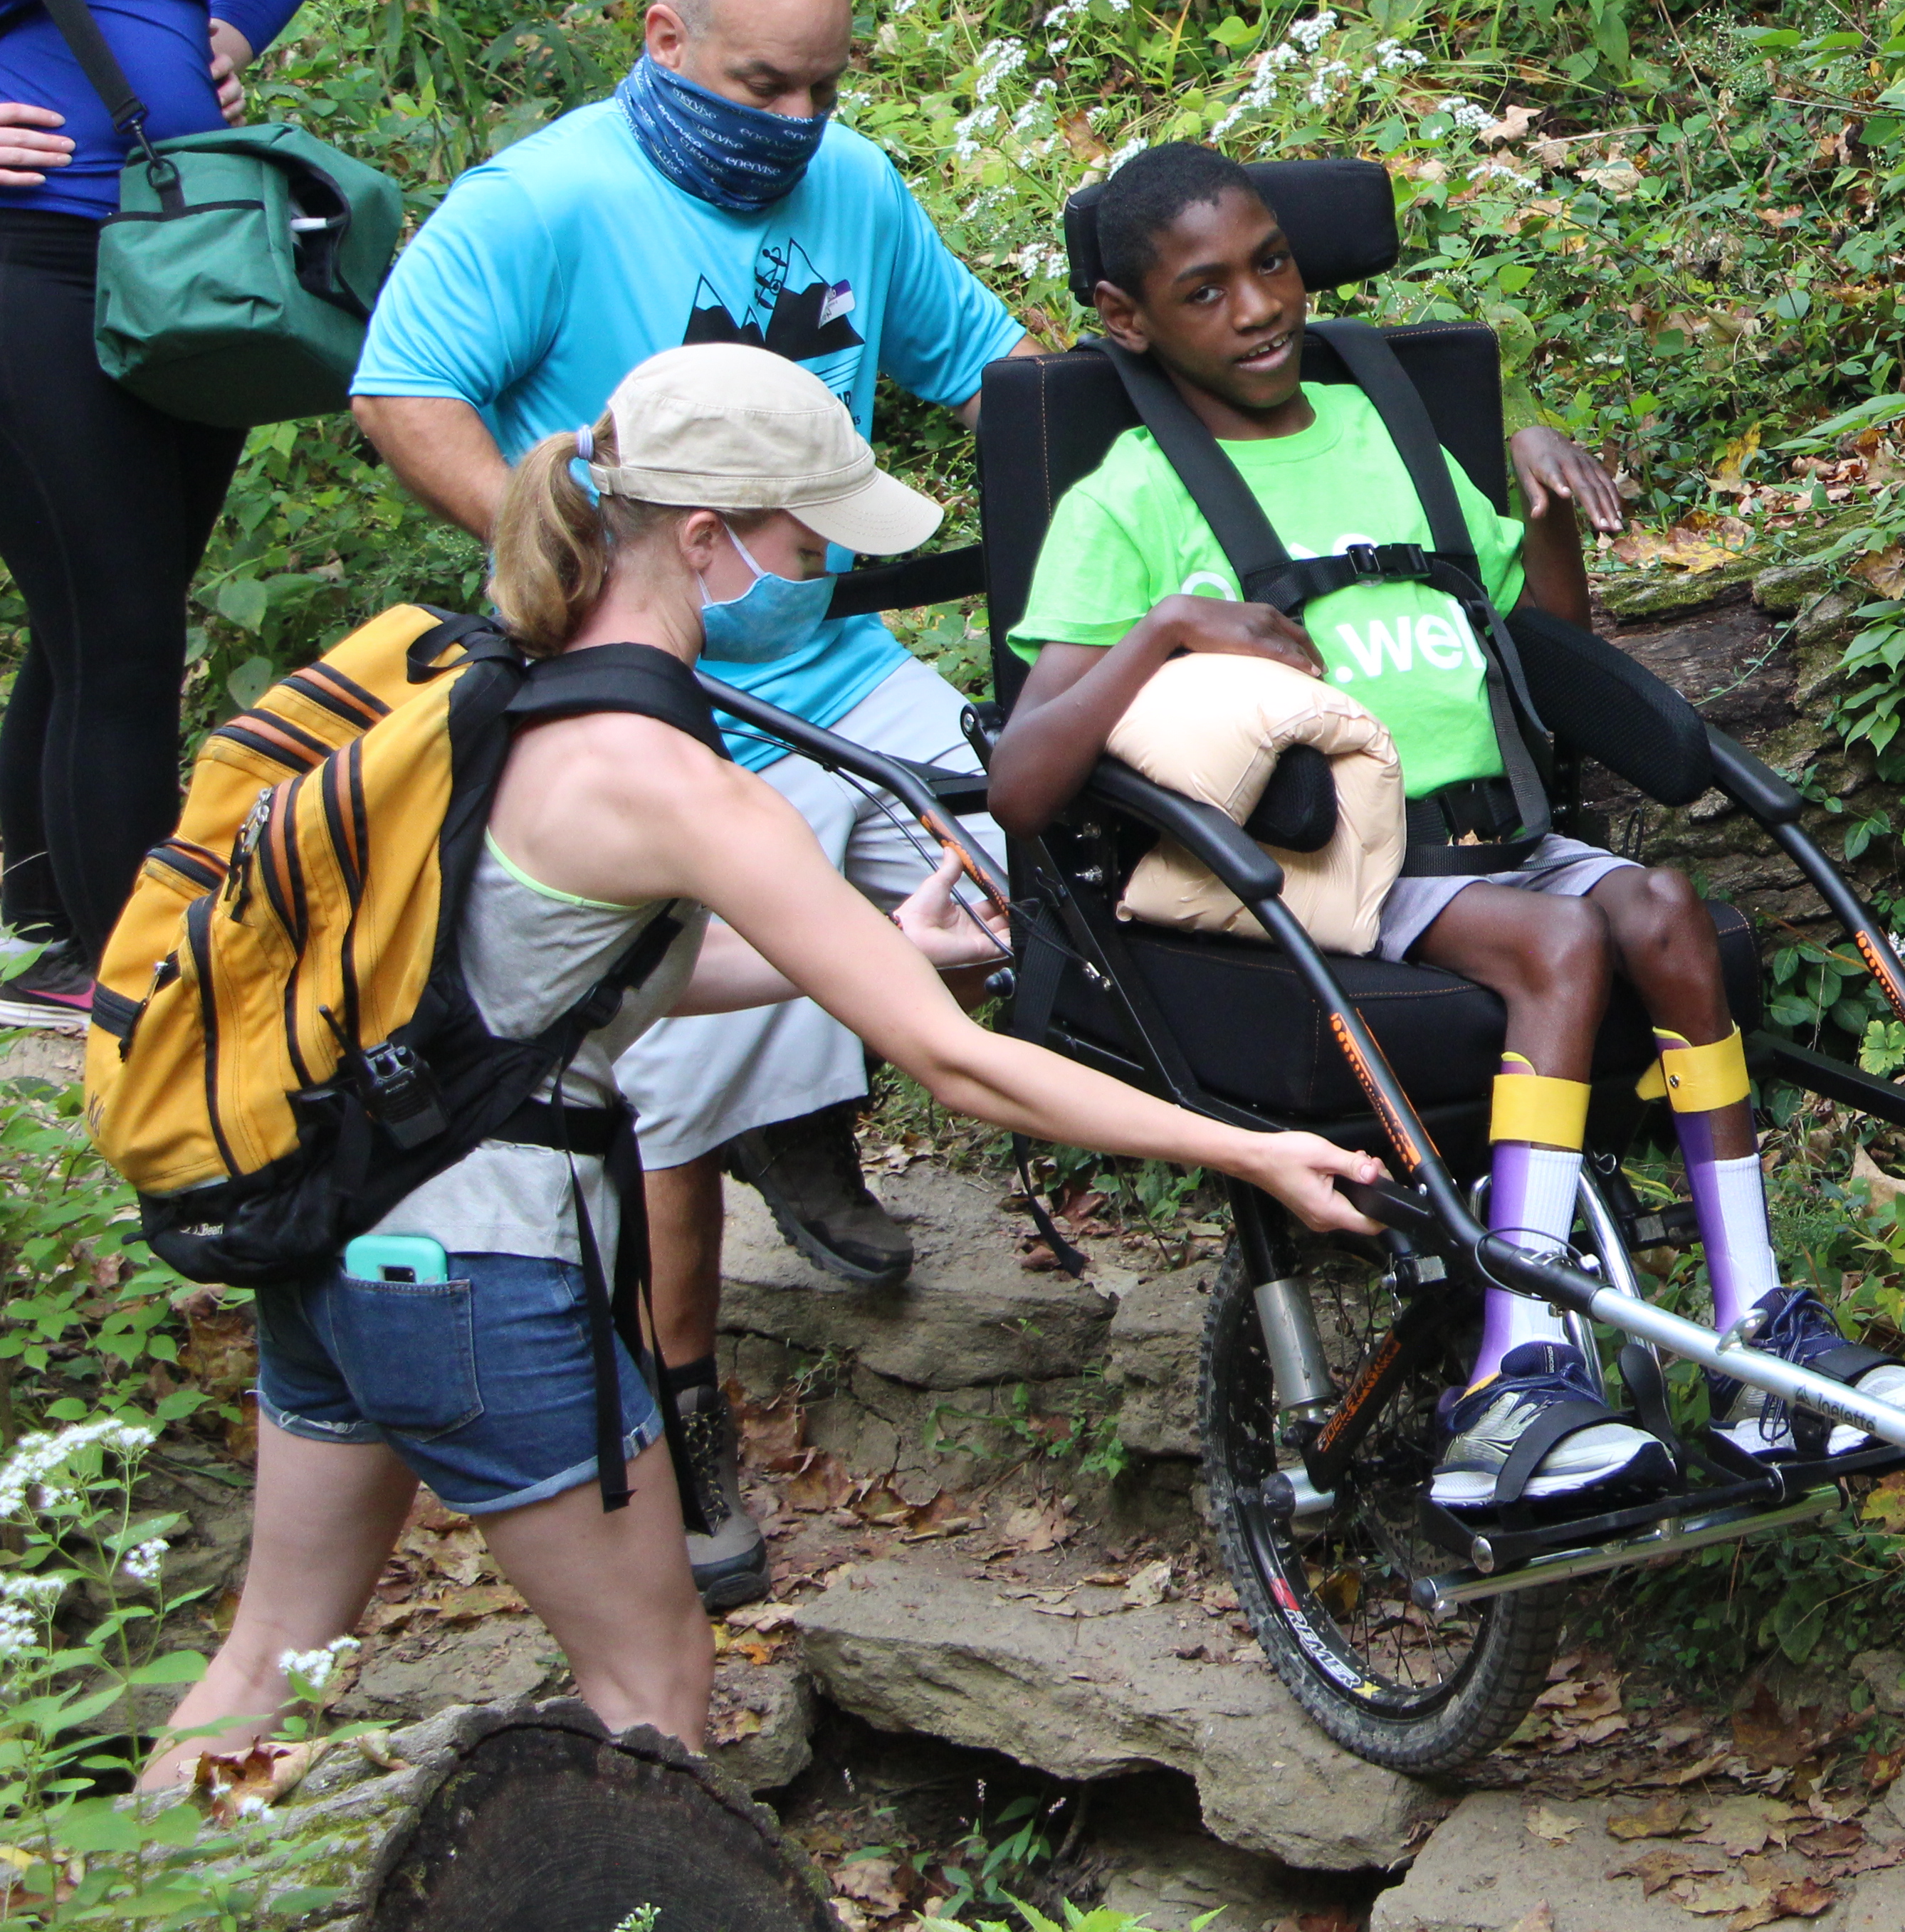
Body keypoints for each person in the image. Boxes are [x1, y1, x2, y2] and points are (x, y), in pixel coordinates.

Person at [147, 345, 1380, 1789]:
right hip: (482, 1278)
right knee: (652, 1681)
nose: (822, 579)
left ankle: (171, 1877)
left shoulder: (498, 694)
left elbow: (558, 984)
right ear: (707, 541)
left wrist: (887, 947)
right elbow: (956, 1072)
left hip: (349, 1240)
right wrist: (1245, 1150)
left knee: (266, 1660)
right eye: (807, 546)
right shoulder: (674, 779)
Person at [983, 142, 1905, 1523]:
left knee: (1668, 911)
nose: (1261, 305)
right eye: (1208, 291)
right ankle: (1519, 1362)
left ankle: (1759, 1332)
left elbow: (1549, 648)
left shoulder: (1382, 421)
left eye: (1272, 262)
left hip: (1509, 834)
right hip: (1339, 874)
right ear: (1129, 320)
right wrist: (1167, 629)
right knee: (1562, 942)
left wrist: (1548, 509)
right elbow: (1023, 782)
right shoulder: (1131, 496)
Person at [350, 0, 1027, 1610]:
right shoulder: (544, 202)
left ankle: (832, 1083)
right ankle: (688, 1402)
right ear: (660, 41)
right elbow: (405, 389)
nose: (793, 125)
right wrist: (573, 553)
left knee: (1045, 867)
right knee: (658, 1092)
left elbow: (994, 369)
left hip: (839, 661)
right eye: (759, 85)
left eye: (821, 88)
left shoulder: (855, 183)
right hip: (651, 694)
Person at [0, 0, 321, 1027]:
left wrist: (236, 28)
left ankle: (25, 897)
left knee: (106, 604)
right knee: (117, 622)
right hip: (22, 266)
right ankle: (118, 974)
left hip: (190, 259)